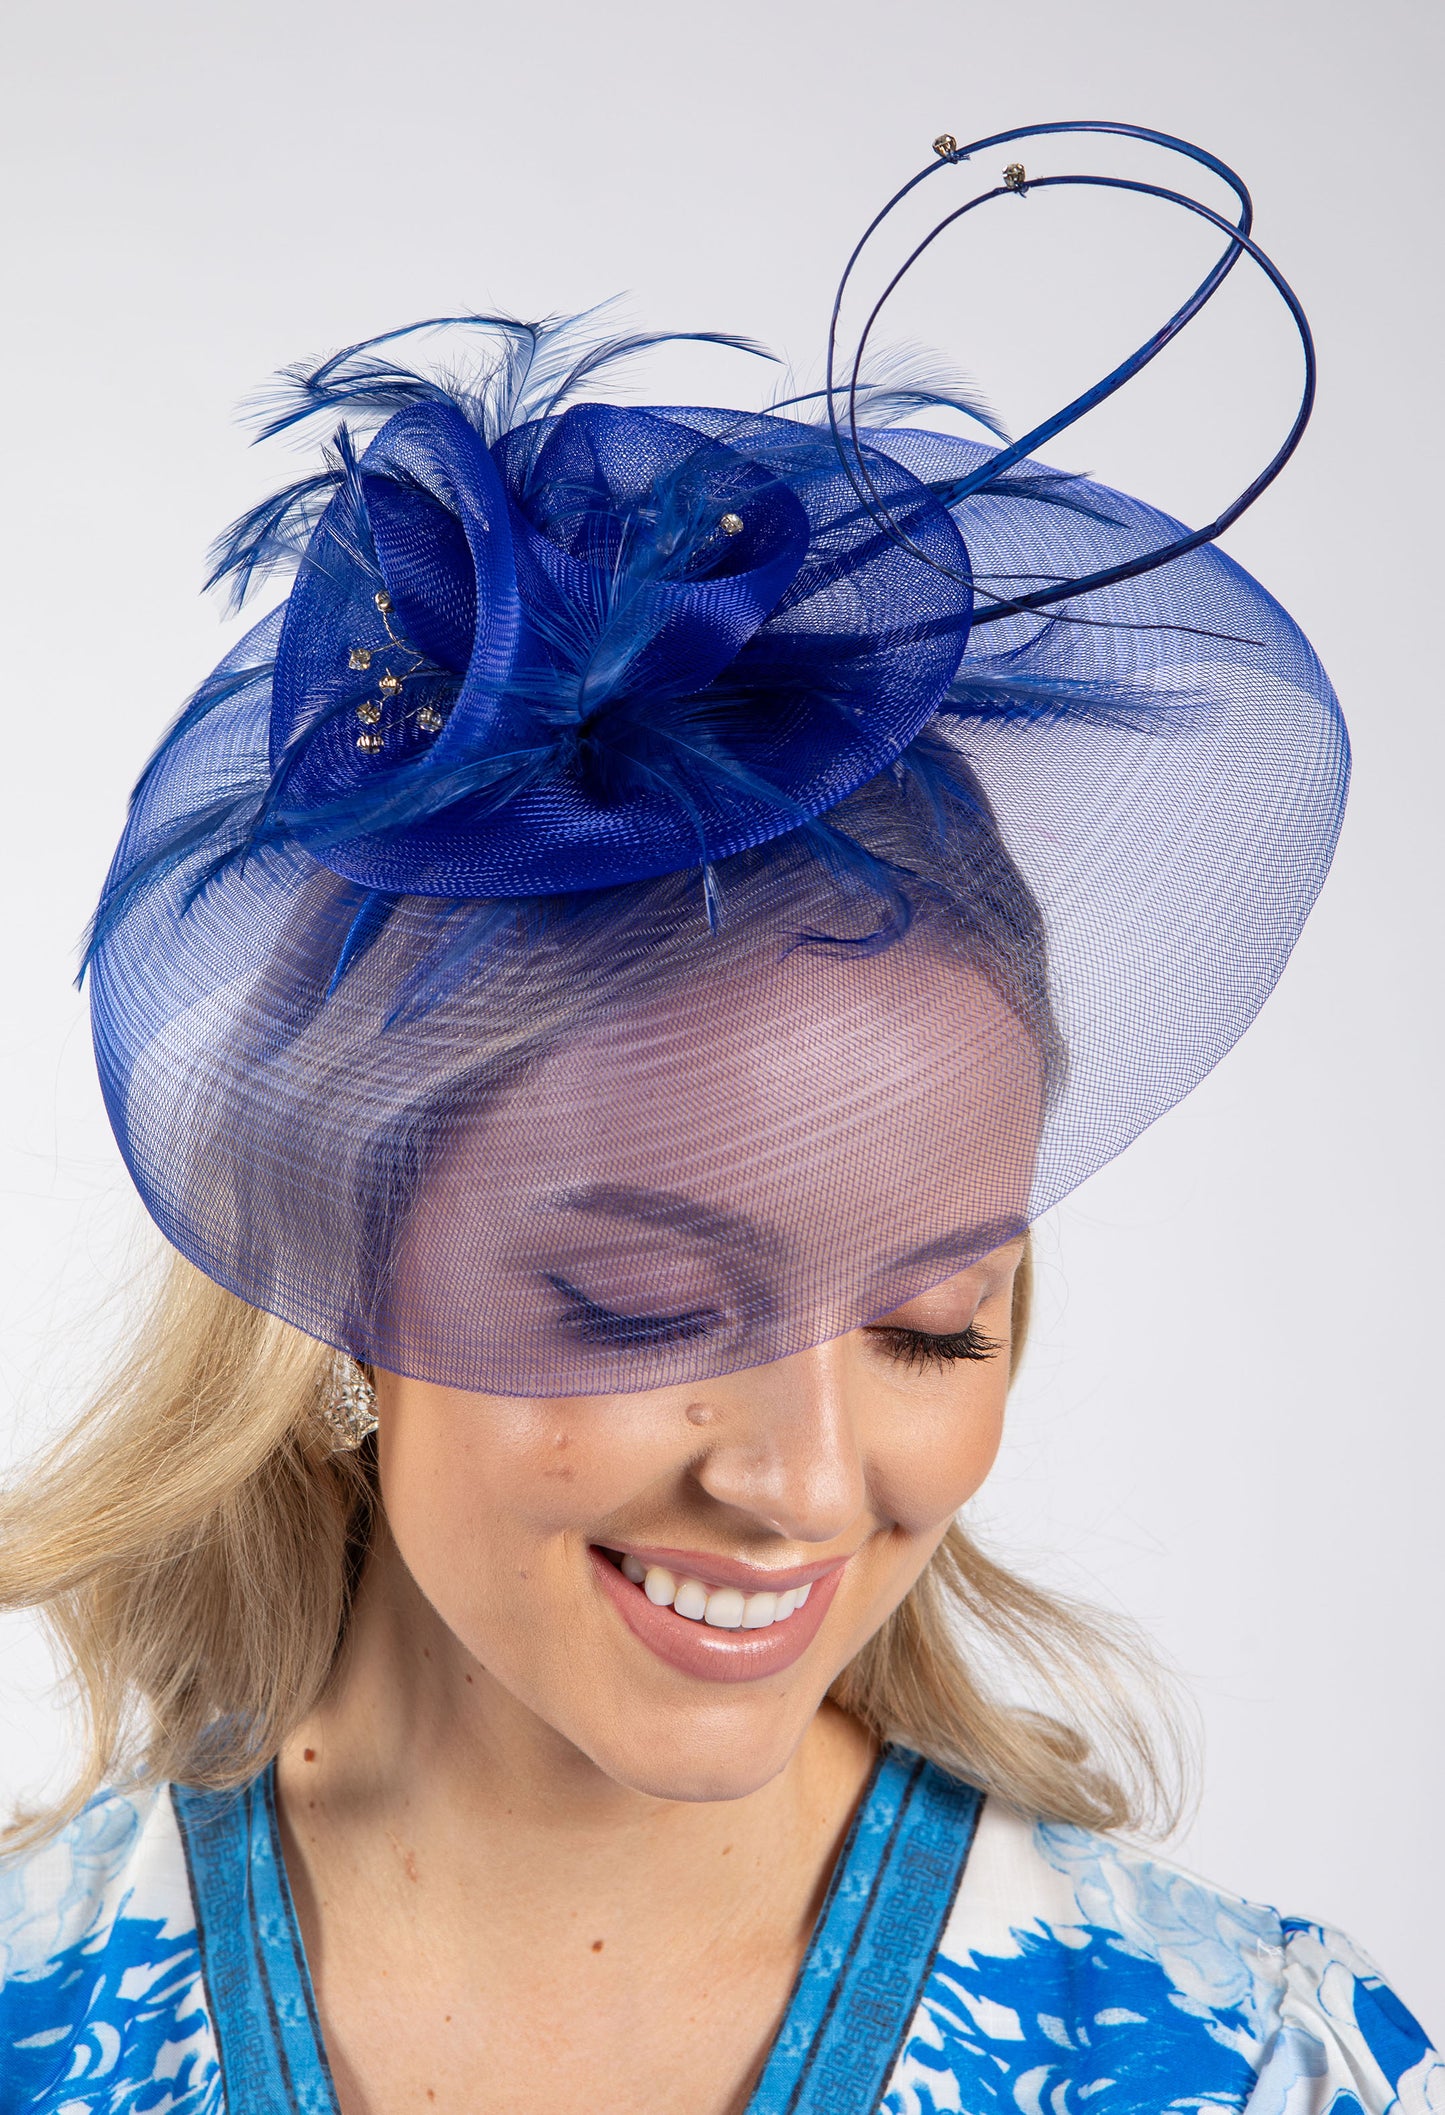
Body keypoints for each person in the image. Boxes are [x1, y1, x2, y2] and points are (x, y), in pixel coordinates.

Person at [0, 123, 1436, 2113]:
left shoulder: (1260, 2069)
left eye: (936, 1320)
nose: (808, 1479)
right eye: (645, 1299)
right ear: (343, 1250)